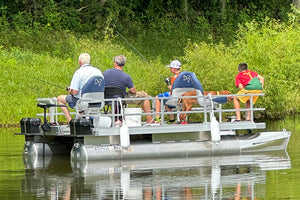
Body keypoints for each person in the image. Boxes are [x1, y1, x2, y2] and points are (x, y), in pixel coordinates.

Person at [103, 55, 156, 125]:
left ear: (115, 63)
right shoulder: (126, 76)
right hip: (121, 98)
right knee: (145, 95)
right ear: (123, 64)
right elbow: (133, 91)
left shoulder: (106, 72)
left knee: (115, 97)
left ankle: (116, 119)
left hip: (107, 98)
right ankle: (149, 119)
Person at [57, 53, 103, 122]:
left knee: (60, 98)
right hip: (97, 101)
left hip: (82, 101)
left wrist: (70, 90)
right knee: (81, 102)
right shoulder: (98, 71)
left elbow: (74, 92)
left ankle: (70, 122)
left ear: (79, 62)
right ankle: (83, 117)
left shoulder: (79, 73)